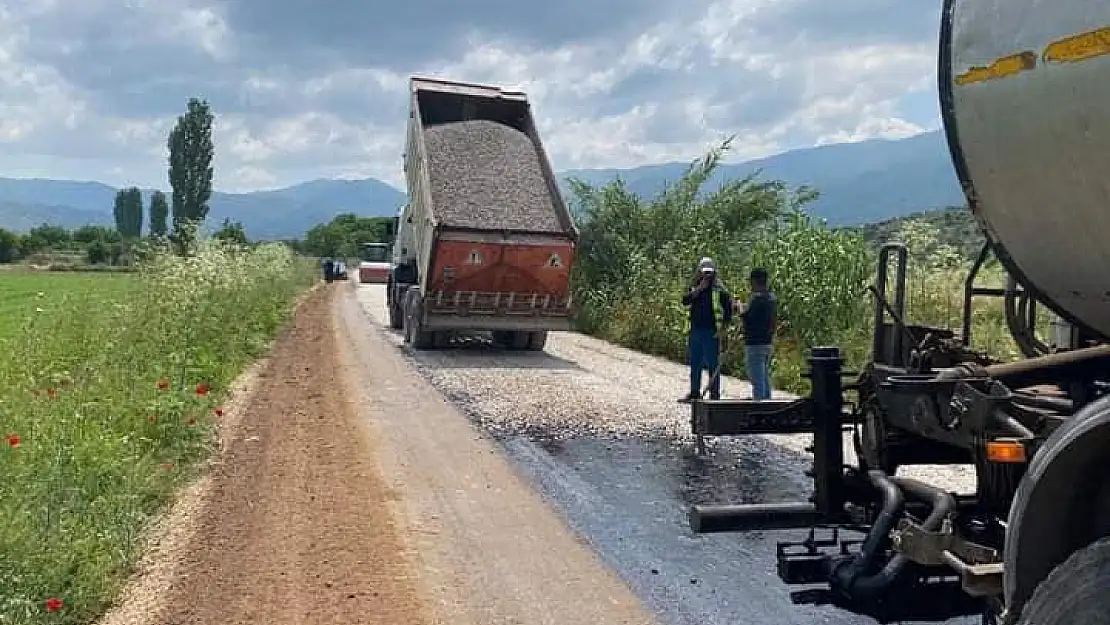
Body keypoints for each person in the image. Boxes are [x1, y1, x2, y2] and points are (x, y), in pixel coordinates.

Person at [680, 257, 733, 402]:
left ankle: (714, 395)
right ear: (699, 272)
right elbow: (685, 300)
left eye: (709, 272)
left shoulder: (719, 290)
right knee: (695, 363)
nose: (707, 275)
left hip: (712, 332)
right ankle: (694, 392)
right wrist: (698, 289)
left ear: (714, 272)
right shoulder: (694, 287)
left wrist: (724, 328)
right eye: (704, 272)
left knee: (713, 365)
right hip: (696, 330)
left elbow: (728, 309)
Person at [736, 267, 777, 400]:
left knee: (757, 378)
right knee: (764, 376)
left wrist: (740, 307)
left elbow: (748, 318)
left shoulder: (758, 299)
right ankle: (766, 402)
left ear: (755, 281)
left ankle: (759, 404)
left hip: (755, 344)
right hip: (767, 342)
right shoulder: (771, 298)